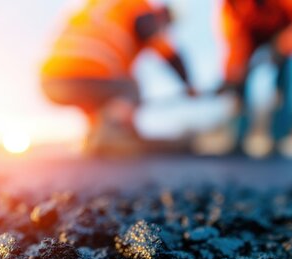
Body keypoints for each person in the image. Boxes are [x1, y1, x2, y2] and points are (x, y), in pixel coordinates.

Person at [41, 0, 196, 154]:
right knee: (129, 88)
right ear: (162, 16)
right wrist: (189, 84)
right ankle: (113, 133)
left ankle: (97, 136)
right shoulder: (144, 11)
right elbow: (169, 54)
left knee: (105, 97)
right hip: (86, 69)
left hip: (50, 80)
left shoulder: (108, 7)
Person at [218, 0, 292, 156]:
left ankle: (278, 138)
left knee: (285, 75)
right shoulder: (231, 6)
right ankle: (238, 136)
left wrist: (287, 43)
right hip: (250, 34)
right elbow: (234, 39)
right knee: (239, 82)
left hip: (285, 30)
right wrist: (233, 74)